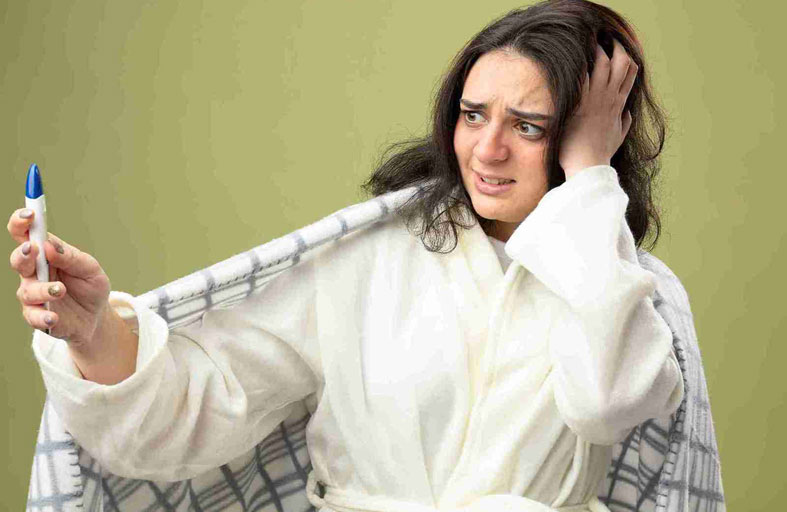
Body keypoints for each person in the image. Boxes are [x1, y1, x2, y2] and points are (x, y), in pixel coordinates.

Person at [9, 1, 685, 511]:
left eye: (529, 126)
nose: (487, 150)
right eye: (473, 115)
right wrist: (94, 331)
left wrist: (590, 180)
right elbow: (196, 407)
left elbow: (606, 405)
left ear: (588, 141)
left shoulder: (619, 288)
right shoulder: (366, 258)